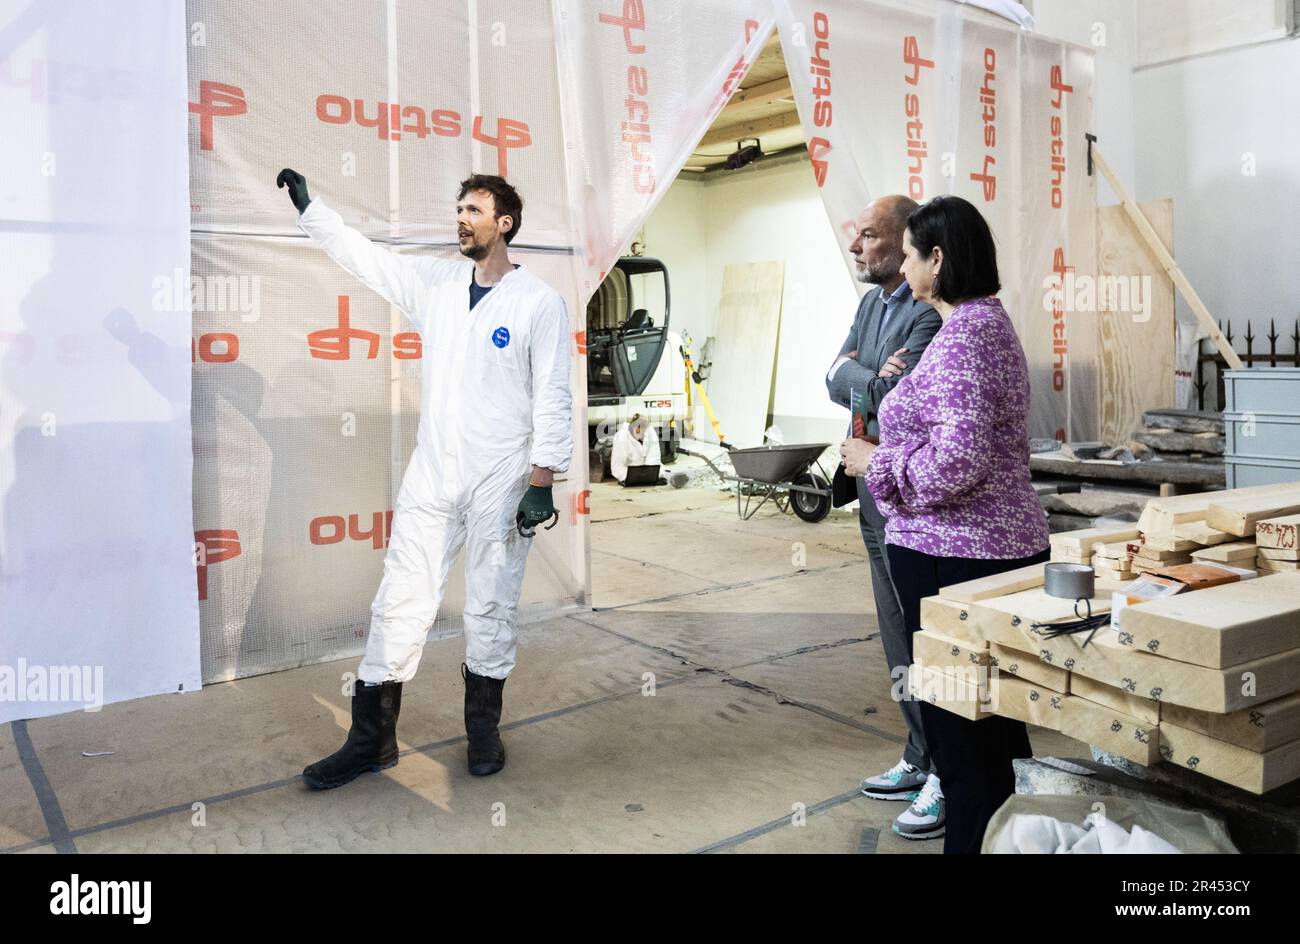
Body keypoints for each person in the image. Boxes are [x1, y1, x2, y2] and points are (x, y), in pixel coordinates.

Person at [275, 168, 573, 786]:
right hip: (434, 473)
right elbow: (370, 261)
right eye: (458, 208)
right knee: (400, 602)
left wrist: (542, 480)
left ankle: (483, 733)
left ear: (504, 223)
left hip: (502, 479)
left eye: (473, 210)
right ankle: (372, 741)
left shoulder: (539, 303)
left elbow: (553, 395)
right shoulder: (437, 284)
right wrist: (313, 210)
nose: (461, 218)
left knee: (490, 604)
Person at [841, 194, 1051, 854]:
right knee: (989, 737)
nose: (900, 268)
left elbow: (957, 459)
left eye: (908, 255)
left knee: (965, 748)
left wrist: (879, 463)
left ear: (936, 258)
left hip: (959, 557)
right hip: (961, 551)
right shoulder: (975, 327)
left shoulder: (966, 338)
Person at [826, 195, 944, 840]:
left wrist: (862, 378)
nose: (856, 248)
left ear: (905, 243)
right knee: (895, 627)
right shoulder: (872, 305)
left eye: (867, 236)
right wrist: (868, 376)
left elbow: (899, 394)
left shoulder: (932, 315)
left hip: (912, 492)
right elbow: (834, 376)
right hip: (870, 488)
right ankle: (918, 752)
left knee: (929, 627)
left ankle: (947, 769)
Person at [610, 414, 661, 483]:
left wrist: (650, 475)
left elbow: (654, 456)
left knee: (664, 474)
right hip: (628, 472)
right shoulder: (621, 437)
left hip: (647, 470)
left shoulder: (650, 432)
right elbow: (617, 466)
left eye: (644, 429)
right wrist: (628, 477)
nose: (641, 431)